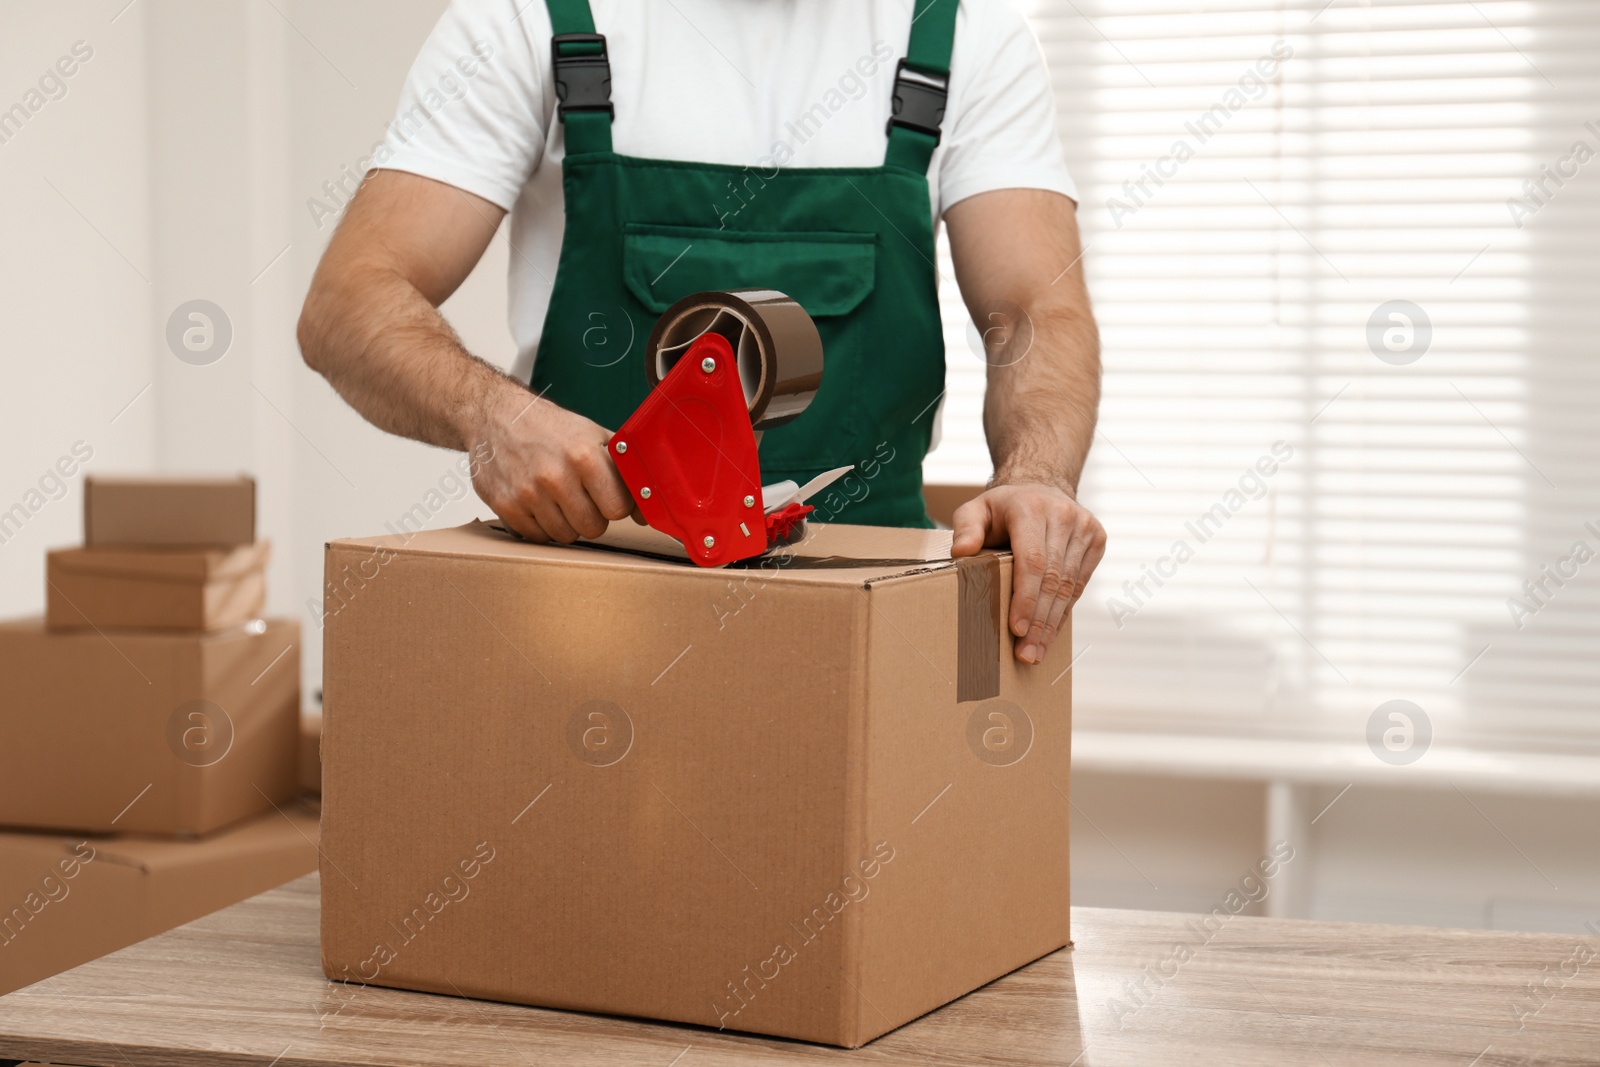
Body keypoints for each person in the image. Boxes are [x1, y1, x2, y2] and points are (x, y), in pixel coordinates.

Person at [297, 0, 1105, 665]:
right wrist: (492, 418)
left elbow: (1035, 310)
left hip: (874, 616)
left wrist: (1038, 474)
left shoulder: (965, 34)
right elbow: (349, 302)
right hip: (581, 622)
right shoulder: (529, 20)